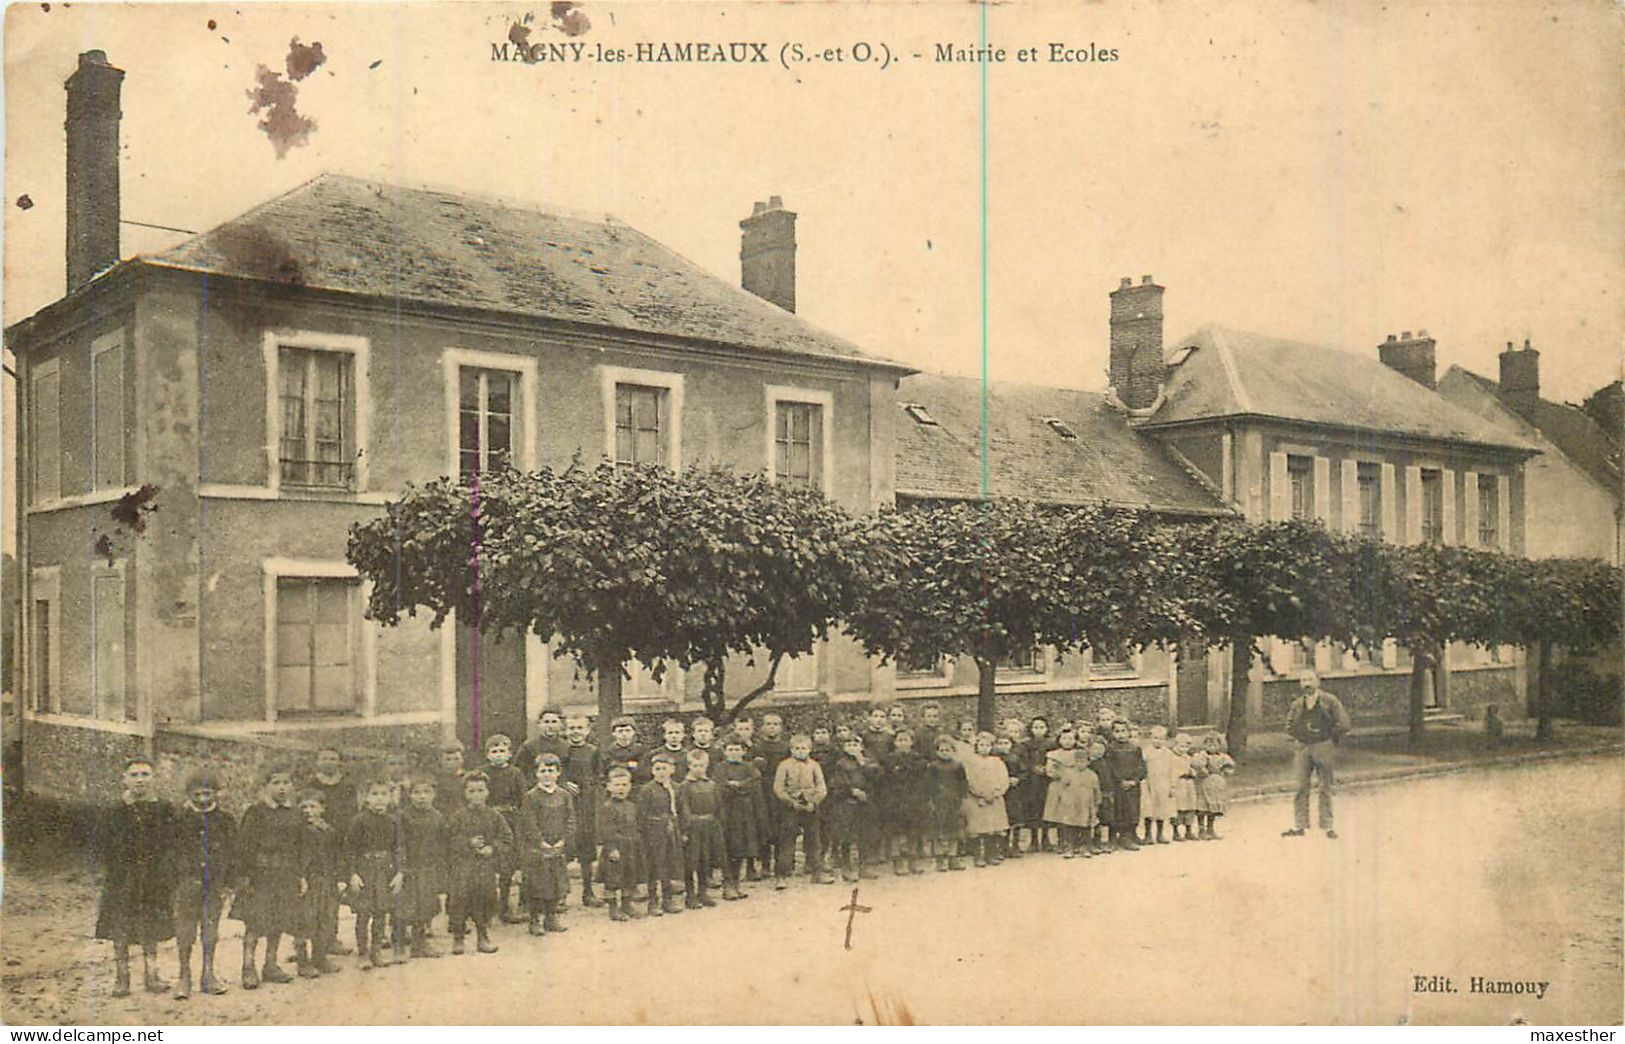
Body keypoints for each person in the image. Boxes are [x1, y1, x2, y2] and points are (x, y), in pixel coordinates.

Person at [97, 756, 178, 997]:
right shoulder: (114, 810)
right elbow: (104, 844)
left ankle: (152, 975)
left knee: (149, 926)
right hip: (123, 878)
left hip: (153, 877)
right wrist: (117, 870)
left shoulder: (163, 808)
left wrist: (166, 873)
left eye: (145, 775)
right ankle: (122, 978)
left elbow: (171, 842)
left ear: (154, 779)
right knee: (120, 927)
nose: (140, 780)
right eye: (134, 775)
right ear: (124, 780)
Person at [232, 763, 305, 989]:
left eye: (286, 783)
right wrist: (244, 877)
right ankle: (248, 966)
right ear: (265, 786)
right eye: (276, 783)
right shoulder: (256, 812)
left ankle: (270, 965)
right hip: (261, 875)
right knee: (255, 923)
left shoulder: (294, 813)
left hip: (285, 875)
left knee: (278, 920)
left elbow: (300, 846)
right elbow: (244, 846)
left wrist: (300, 874)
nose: (282, 788)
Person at [171, 768, 235, 998]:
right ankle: (184, 976)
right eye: (197, 794)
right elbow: (170, 852)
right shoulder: (178, 819)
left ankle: (208, 974)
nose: (203, 799)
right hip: (187, 882)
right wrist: (176, 879)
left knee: (210, 930)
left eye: (208, 793)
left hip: (214, 885)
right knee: (185, 930)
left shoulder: (226, 820)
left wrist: (229, 883)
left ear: (217, 793)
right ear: (189, 794)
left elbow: (232, 853)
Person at [444, 771, 510, 954]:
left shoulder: (494, 817)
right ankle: (458, 939)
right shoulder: (457, 817)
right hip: (462, 867)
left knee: (484, 899)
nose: (476, 795)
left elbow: (506, 838)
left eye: (480, 790)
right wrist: (467, 843)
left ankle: (483, 937)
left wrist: (492, 848)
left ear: (487, 792)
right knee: (459, 901)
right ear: (465, 793)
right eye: (472, 791)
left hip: (484, 867)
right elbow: (447, 840)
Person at [1283, 668, 1351, 839]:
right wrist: (1300, 736)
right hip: (1303, 748)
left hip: (1323, 746)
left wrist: (1328, 738)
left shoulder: (1330, 701)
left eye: (1310, 679)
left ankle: (1327, 826)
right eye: (1303, 680)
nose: (1306, 683)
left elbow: (1343, 723)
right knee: (1300, 787)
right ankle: (1300, 825)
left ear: (1317, 682)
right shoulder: (1297, 704)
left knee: (1325, 787)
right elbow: (1288, 725)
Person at [516, 754, 576, 935]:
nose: (547, 775)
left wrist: (563, 840)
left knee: (555, 884)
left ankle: (551, 918)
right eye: (543, 771)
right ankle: (535, 920)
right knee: (537, 885)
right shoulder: (531, 797)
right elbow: (529, 822)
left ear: (558, 773)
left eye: (551, 771)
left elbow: (571, 819)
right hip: (538, 849)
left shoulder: (564, 795)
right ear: (536, 774)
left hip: (558, 846)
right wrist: (540, 842)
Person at [346, 778, 401, 969]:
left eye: (383, 794)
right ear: (366, 798)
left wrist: (399, 873)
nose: (379, 799)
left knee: (381, 912)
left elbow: (399, 848)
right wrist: (352, 873)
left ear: (390, 798)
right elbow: (350, 850)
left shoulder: (393, 821)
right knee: (363, 913)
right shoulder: (358, 821)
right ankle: (363, 953)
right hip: (365, 870)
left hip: (385, 871)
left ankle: (376, 951)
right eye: (374, 794)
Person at [291, 789, 343, 979]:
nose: (308, 811)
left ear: (322, 808)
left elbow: (337, 856)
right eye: (303, 806)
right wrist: (299, 877)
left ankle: (320, 957)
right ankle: (303, 961)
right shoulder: (297, 830)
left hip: (326, 880)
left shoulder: (329, 831)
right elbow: (295, 857)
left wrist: (339, 879)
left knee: (325, 919)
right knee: (305, 921)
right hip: (307, 882)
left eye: (312, 806)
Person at [477, 734, 527, 922]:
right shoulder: (482, 773)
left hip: (511, 821)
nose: (498, 755)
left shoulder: (516, 773)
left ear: (509, 754)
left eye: (502, 751)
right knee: (489, 863)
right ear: (487, 755)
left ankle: (506, 906)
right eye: (494, 751)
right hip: (489, 821)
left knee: (508, 864)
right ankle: (487, 906)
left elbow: (523, 799)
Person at [772, 733, 832, 887]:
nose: (800, 751)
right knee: (787, 841)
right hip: (790, 807)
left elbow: (822, 787)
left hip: (810, 807)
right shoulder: (784, 765)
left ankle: (817, 873)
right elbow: (779, 788)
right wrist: (791, 803)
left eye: (804, 748)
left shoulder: (814, 765)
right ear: (791, 750)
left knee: (814, 840)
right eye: (797, 748)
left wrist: (814, 802)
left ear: (810, 750)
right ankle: (782, 876)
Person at [558, 715, 605, 908]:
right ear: (565, 730)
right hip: (564, 807)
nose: (575, 731)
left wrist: (591, 791)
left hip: (586, 807)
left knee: (586, 852)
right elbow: (554, 773)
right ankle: (561, 894)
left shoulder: (593, 751)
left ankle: (588, 892)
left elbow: (599, 775)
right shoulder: (561, 751)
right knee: (563, 851)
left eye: (580, 728)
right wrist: (563, 783)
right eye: (571, 728)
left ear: (587, 731)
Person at [397, 779, 447, 957]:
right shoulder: (403, 816)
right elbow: (399, 843)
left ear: (434, 795)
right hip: (410, 868)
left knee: (426, 904)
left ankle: (419, 944)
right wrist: (401, 867)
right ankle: (399, 945)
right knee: (405, 906)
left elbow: (442, 845)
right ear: (409, 795)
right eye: (417, 792)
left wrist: (440, 869)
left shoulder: (438, 816)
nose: (422, 797)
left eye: (426, 792)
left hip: (429, 868)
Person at [713, 735, 765, 900]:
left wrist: (737, 785)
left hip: (745, 813)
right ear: (725, 752)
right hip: (727, 813)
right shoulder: (720, 768)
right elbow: (721, 788)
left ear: (743, 751)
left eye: (737, 749)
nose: (734, 753)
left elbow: (754, 785)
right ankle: (727, 883)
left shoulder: (749, 767)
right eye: (730, 749)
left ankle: (736, 883)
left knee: (741, 848)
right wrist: (740, 786)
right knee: (728, 849)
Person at [636, 752, 686, 915]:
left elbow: (681, 810)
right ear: (652, 771)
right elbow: (641, 815)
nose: (661, 772)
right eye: (657, 769)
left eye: (664, 768)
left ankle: (667, 899)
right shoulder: (647, 790)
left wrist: (681, 830)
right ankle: (652, 901)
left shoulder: (677, 788)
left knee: (669, 864)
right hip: (654, 833)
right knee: (654, 866)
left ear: (672, 770)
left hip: (672, 831)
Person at [824, 734, 878, 882]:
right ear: (844, 747)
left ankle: (864, 866)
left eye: (856, 744)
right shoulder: (841, 764)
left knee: (865, 835)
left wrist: (862, 763)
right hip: (847, 803)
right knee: (846, 836)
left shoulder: (869, 762)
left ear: (861, 747)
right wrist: (852, 791)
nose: (852, 748)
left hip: (865, 803)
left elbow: (875, 778)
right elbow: (837, 784)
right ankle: (846, 867)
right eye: (849, 745)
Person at [596, 766, 645, 921]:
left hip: (630, 847)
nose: (621, 788)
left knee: (628, 877)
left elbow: (636, 825)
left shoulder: (631, 806)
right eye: (617, 785)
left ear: (630, 786)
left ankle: (626, 904)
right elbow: (606, 830)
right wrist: (612, 848)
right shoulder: (607, 807)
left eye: (624, 785)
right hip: (615, 848)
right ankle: (612, 908)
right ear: (609, 787)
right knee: (613, 879)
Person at [677, 748, 725, 908]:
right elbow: (684, 809)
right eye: (695, 765)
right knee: (692, 862)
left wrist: (717, 824)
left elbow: (718, 806)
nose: (699, 769)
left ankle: (703, 893)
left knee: (706, 860)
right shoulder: (685, 786)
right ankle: (690, 895)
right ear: (689, 766)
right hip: (693, 828)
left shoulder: (711, 785)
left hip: (709, 826)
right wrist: (687, 829)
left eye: (702, 765)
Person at [879, 728, 930, 874]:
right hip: (896, 800)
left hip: (914, 800)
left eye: (906, 740)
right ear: (895, 743)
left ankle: (913, 861)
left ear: (912, 742)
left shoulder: (918, 760)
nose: (903, 743)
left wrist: (920, 796)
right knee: (896, 832)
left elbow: (923, 780)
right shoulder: (888, 760)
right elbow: (885, 781)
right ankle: (898, 862)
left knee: (913, 831)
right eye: (900, 740)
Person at [1041, 725, 1093, 857]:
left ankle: (1075, 842)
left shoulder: (1078, 754)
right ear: (1059, 740)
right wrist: (1058, 773)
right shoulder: (1053, 754)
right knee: (1059, 815)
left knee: (1074, 814)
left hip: (1074, 788)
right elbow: (1050, 771)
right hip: (1058, 786)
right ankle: (1061, 842)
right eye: (1064, 738)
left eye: (1070, 739)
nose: (1067, 741)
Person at [963, 732, 1011, 867]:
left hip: (994, 798)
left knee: (993, 827)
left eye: (987, 745)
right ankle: (978, 855)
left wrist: (996, 792)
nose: (984, 748)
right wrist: (981, 794)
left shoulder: (997, 761)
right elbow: (969, 780)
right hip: (977, 799)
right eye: (981, 745)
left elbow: (1004, 779)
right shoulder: (970, 762)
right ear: (976, 746)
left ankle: (991, 853)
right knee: (979, 828)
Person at [754, 714, 791, 879]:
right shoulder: (757, 747)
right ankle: (765, 864)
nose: (772, 727)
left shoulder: (786, 747)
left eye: (776, 724)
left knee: (781, 827)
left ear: (781, 728)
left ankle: (781, 864)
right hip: (762, 790)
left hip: (781, 790)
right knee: (763, 825)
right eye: (768, 724)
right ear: (762, 727)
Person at [925, 735, 968, 870]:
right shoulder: (933, 766)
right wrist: (931, 801)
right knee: (939, 830)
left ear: (953, 751)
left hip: (954, 801)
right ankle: (940, 858)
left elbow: (963, 783)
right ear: (937, 751)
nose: (945, 752)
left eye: (948, 750)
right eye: (942, 750)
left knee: (954, 829)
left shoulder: (958, 766)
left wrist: (962, 798)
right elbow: (928, 785)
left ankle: (952, 856)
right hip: (938, 802)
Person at [1104, 720, 1146, 850]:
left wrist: (1135, 780)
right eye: (1117, 731)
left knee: (1133, 809)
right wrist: (1120, 781)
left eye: (1123, 731)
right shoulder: (1111, 749)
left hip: (1133, 785)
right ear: (1112, 733)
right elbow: (1111, 767)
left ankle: (1131, 834)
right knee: (1119, 810)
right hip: (1119, 785)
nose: (1121, 734)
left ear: (1129, 732)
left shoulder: (1135, 748)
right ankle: (1121, 837)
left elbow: (1141, 766)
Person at [1140, 725, 1179, 845]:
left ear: (1165, 740)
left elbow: (1173, 770)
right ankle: (1148, 834)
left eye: (1161, 738)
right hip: (1150, 783)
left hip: (1163, 784)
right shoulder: (1146, 752)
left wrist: (1172, 786)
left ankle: (1160, 834)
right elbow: (1142, 768)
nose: (1158, 741)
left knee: (1161, 809)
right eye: (1155, 738)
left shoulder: (1168, 753)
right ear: (1151, 738)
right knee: (1149, 809)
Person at [1024, 716, 1056, 852]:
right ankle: (1033, 840)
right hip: (1031, 781)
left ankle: (1045, 838)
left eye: (1042, 727)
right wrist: (1032, 768)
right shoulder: (1026, 745)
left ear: (1047, 729)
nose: (1038, 730)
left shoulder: (1051, 744)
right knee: (1033, 808)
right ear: (1031, 729)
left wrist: (1046, 768)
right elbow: (1023, 761)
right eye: (1036, 727)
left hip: (1046, 780)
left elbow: (1055, 759)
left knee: (1046, 808)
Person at [1198, 733, 1236, 839]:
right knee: (1203, 806)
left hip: (1217, 783)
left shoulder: (1222, 757)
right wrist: (1203, 770)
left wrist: (1226, 770)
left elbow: (1229, 766)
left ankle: (1210, 828)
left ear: (1219, 746)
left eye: (1214, 745)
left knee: (1213, 808)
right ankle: (1201, 830)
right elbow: (1198, 765)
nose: (1211, 748)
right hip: (1206, 782)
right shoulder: (1202, 755)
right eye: (1208, 745)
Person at [515, 710, 569, 782]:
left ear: (561, 724)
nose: (550, 726)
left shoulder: (566, 747)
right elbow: (520, 772)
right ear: (539, 724)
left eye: (554, 722)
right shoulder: (528, 747)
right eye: (546, 722)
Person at [1170, 733, 1200, 841]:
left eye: (1186, 747)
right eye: (1181, 746)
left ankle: (1188, 830)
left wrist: (1192, 772)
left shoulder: (1188, 757)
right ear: (1176, 745)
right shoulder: (1172, 758)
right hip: (1179, 783)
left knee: (1190, 806)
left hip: (1188, 784)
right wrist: (1172, 786)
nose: (1184, 749)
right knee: (1178, 807)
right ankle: (1176, 831)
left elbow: (1192, 768)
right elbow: (1172, 772)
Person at [433, 742, 466, 817]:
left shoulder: (467, 778)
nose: (452, 763)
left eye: (456, 759)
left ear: (462, 760)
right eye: (448, 759)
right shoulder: (436, 780)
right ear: (441, 761)